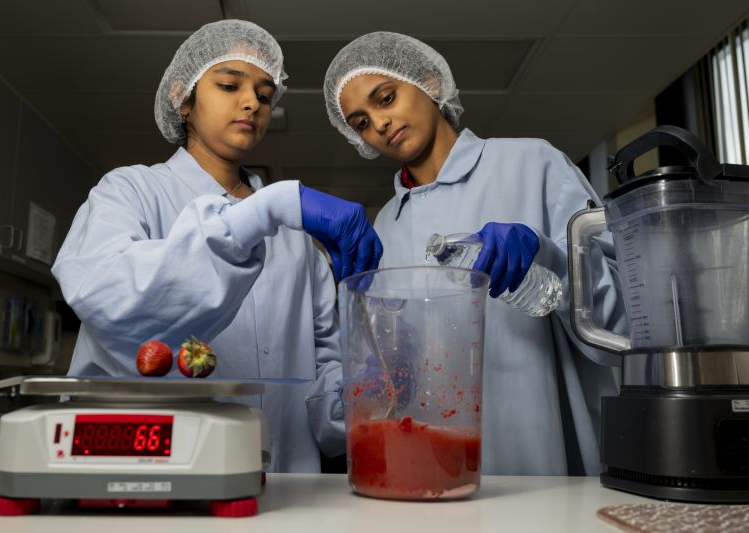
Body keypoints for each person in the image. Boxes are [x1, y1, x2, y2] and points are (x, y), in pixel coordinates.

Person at [52, 20, 382, 473]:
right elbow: (110, 298)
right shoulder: (130, 191)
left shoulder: (296, 238)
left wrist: (373, 385)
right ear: (181, 99)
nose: (251, 103)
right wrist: (268, 209)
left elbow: (322, 369)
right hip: (159, 480)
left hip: (286, 486)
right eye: (229, 84)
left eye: (265, 95)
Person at [323, 32, 627, 476]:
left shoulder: (533, 164)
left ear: (428, 81)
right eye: (362, 122)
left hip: (544, 462)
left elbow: (623, 327)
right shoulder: (383, 227)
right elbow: (389, 376)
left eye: (385, 98)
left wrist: (550, 259)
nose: (380, 124)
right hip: (430, 470)